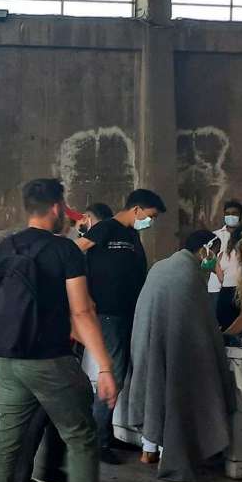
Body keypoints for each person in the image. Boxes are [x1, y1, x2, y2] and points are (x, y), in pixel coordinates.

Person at [0, 178, 120, 482]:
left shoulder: (3, 249)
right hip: (49, 360)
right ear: (58, 208)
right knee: (81, 437)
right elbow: (82, 310)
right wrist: (106, 367)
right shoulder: (64, 250)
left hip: (6, 359)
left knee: (7, 440)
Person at [116, 231, 231, 482]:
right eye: (215, 253)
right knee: (176, 394)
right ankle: (171, 452)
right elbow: (202, 325)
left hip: (148, 340)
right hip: (177, 347)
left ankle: (148, 450)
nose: (214, 259)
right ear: (204, 251)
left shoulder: (161, 266)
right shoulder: (188, 275)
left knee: (154, 386)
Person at [76, 188, 166, 465]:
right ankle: (96, 442)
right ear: (137, 209)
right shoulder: (106, 228)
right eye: (149, 216)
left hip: (128, 314)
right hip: (107, 314)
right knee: (111, 374)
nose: (150, 222)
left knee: (121, 373)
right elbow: (75, 252)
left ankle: (106, 432)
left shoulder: (132, 235)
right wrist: (82, 295)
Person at [213, 200, 242, 329]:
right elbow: (211, 260)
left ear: (240, 215)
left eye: (234, 213)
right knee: (220, 324)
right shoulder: (215, 236)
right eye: (227, 213)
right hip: (218, 288)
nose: (230, 216)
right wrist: (218, 273)